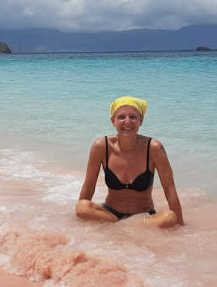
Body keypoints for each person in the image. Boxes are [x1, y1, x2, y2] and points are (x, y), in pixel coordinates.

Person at [76, 96, 183, 228]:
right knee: (82, 207)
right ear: (113, 121)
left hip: (143, 218)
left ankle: (125, 227)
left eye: (133, 117)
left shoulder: (153, 148)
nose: (127, 122)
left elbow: (169, 189)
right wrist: (78, 224)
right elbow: (89, 186)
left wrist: (181, 228)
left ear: (141, 121)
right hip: (110, 215)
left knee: (169, 217)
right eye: (121, 117)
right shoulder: (101, 146)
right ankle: (122, 226)